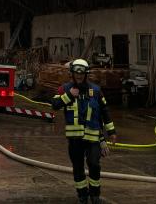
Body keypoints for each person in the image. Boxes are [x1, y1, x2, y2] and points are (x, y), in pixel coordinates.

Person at [52, 59, 117, 204]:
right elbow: (54, 105)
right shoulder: (65, 89)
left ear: (86, 74)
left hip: (93, 138)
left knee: (94, 164)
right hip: (74, 140)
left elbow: (104, 112)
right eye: (76, 73)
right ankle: (82, 195)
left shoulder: (96, 91)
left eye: (82, 73)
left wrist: (111, 132)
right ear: (72, 74)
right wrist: (69, 95)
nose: (79, 76)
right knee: (78, 168)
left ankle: (95, 195)